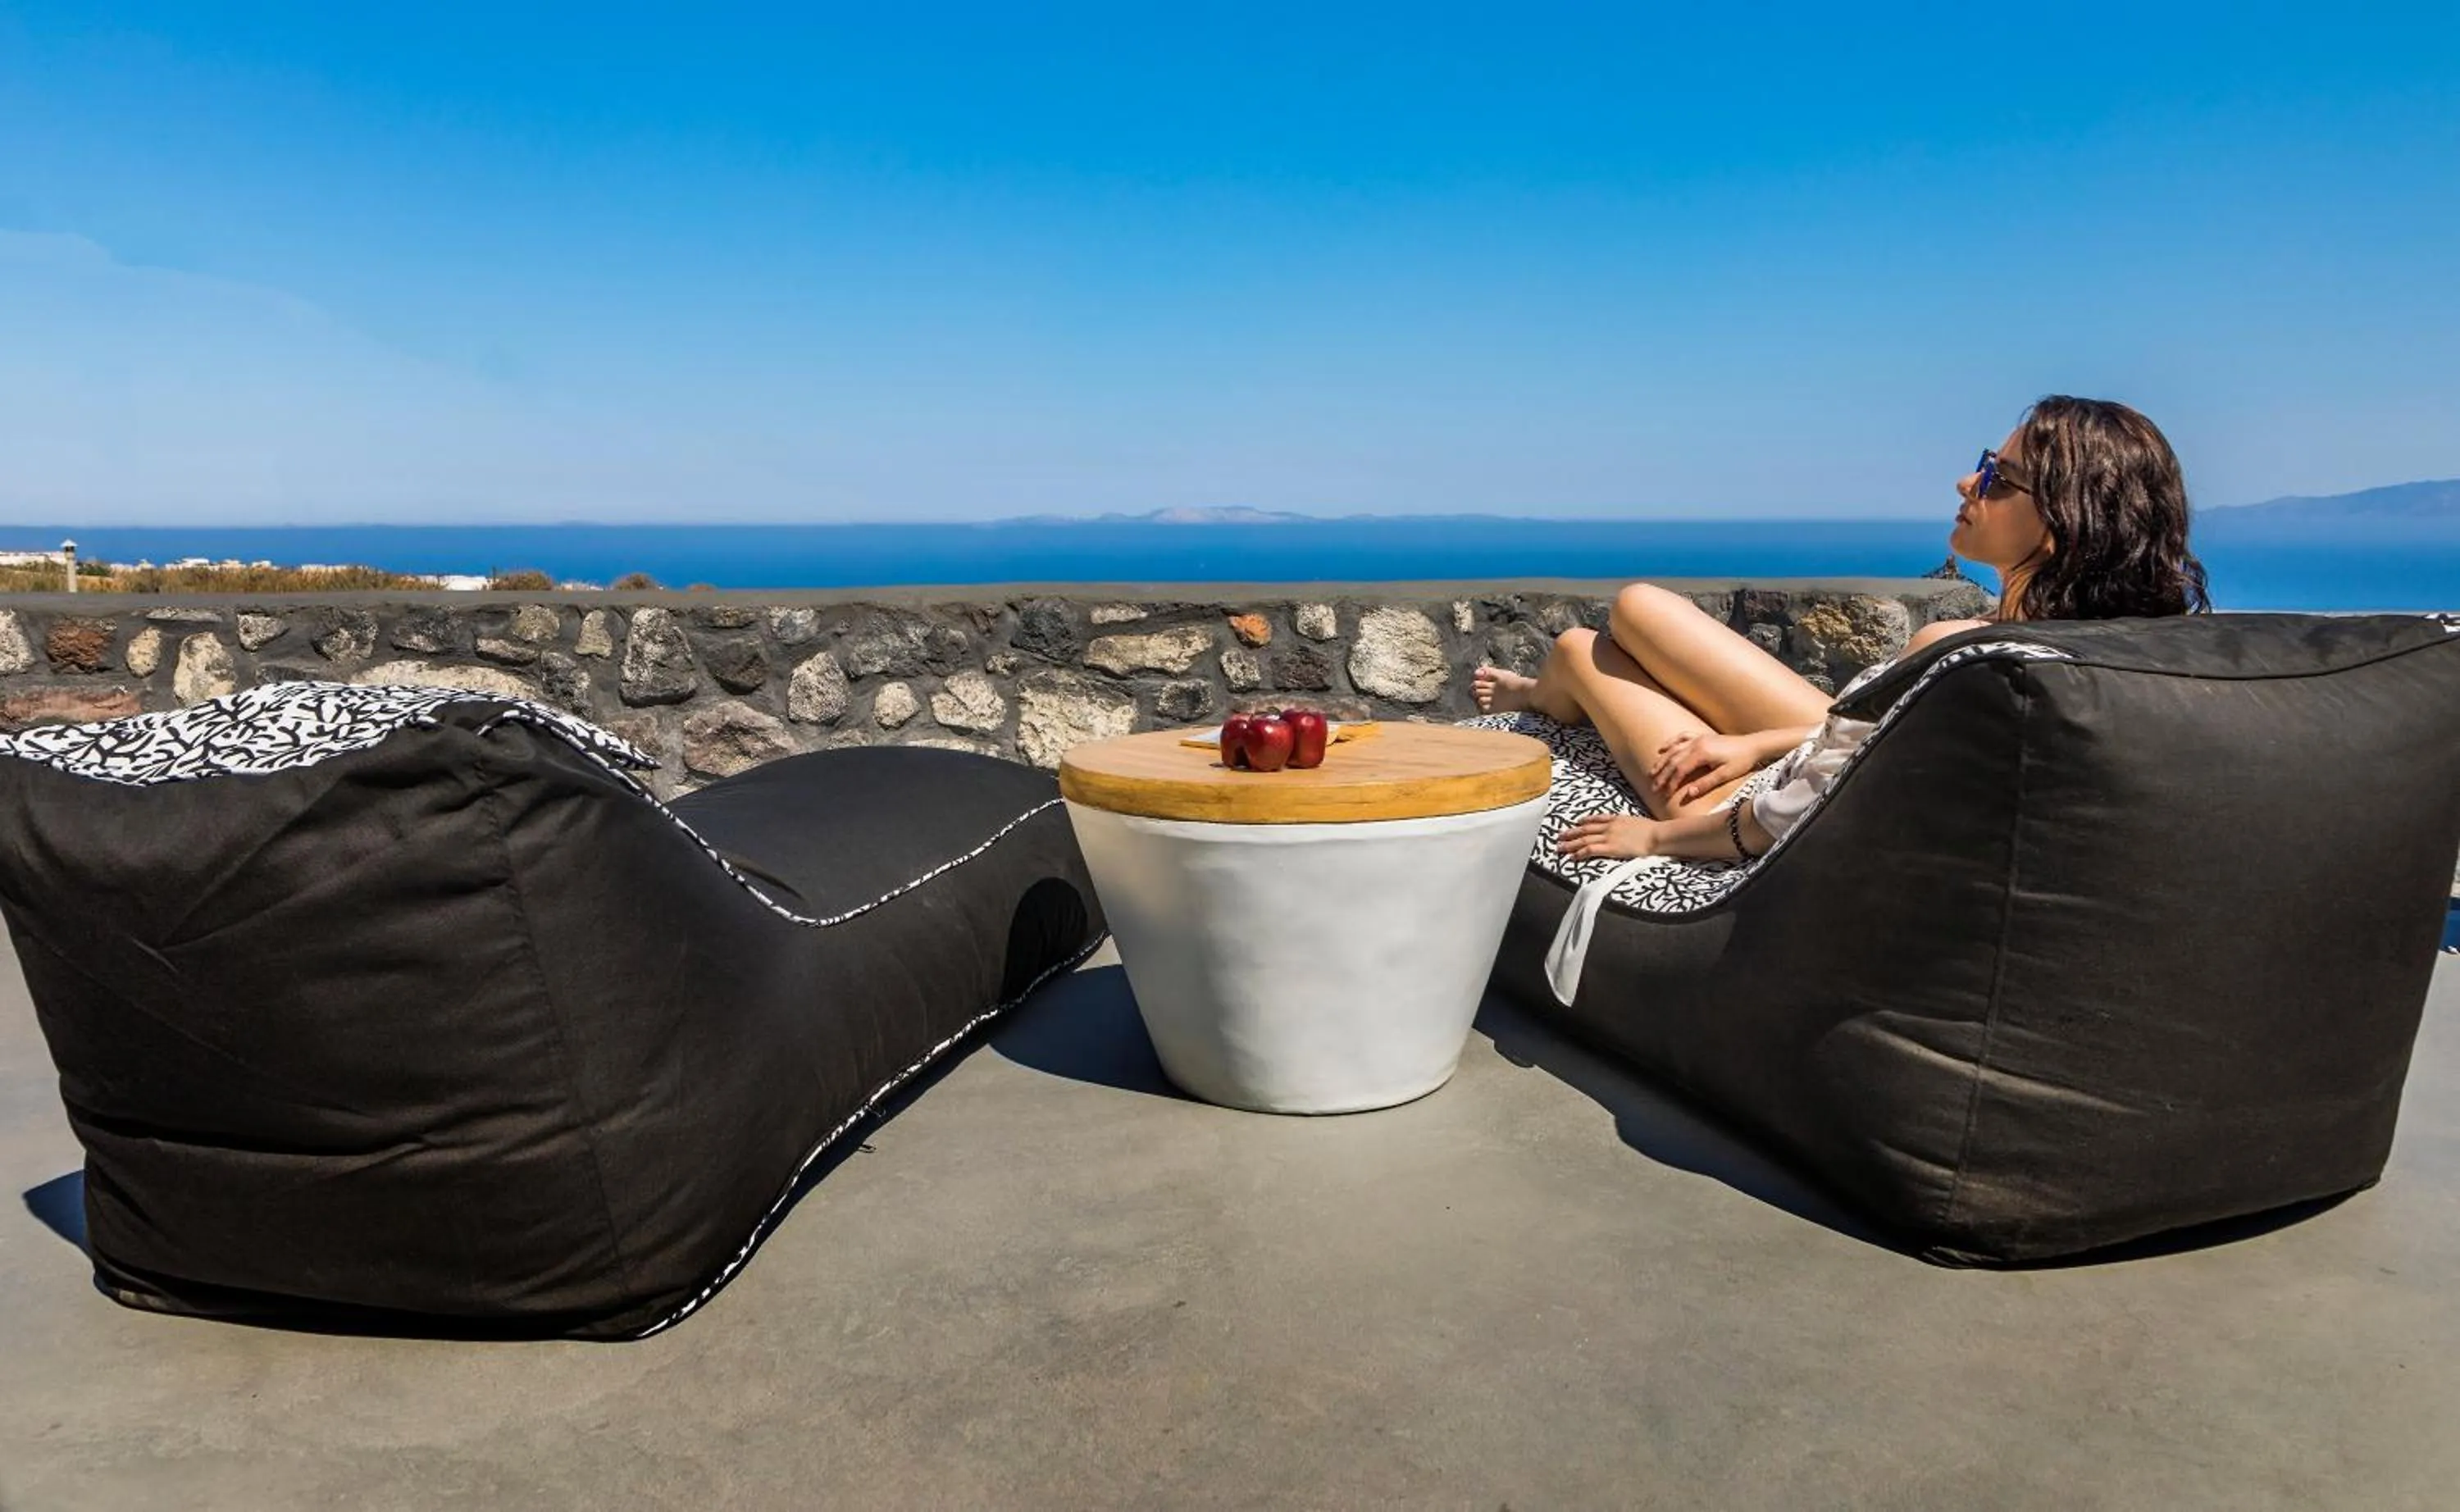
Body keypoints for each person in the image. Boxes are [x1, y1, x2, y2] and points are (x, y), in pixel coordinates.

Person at [1473, 395, 2211, 864]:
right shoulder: (2090, 641)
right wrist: (1755, 741)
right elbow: (1886, 748)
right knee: (1638, 605)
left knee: (1584, 646)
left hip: (1740, 809)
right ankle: (1550, 692)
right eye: (1987, 464)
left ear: (2058, 530)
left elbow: (1786, 820)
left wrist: (1657, 836)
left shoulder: (1953, 651)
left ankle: (1546, 697)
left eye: (1997, 479)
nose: (1967, 482)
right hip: (1808, 747)